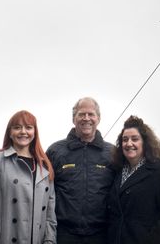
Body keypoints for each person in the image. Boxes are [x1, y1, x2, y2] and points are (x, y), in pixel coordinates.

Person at [0, 110, 57, 244]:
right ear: (10, 133)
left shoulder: (44, 167)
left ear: (34, 132)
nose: (23, 132)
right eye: (17, 127)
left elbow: (50, 215)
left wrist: (50, 240)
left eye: (28, 127)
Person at [47, 97, 115, 244]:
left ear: (98, 118)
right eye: (81, 114)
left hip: (101, 235)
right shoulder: (55, 151)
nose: (86, 118)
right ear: (73, 118)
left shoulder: (112, 153)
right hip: (64, 234)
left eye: (91, 114)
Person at [106, 116, 160, 244]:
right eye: (125, 140)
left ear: (145, 142)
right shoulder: (116, 173)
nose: (129, 143)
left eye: (134, 139)